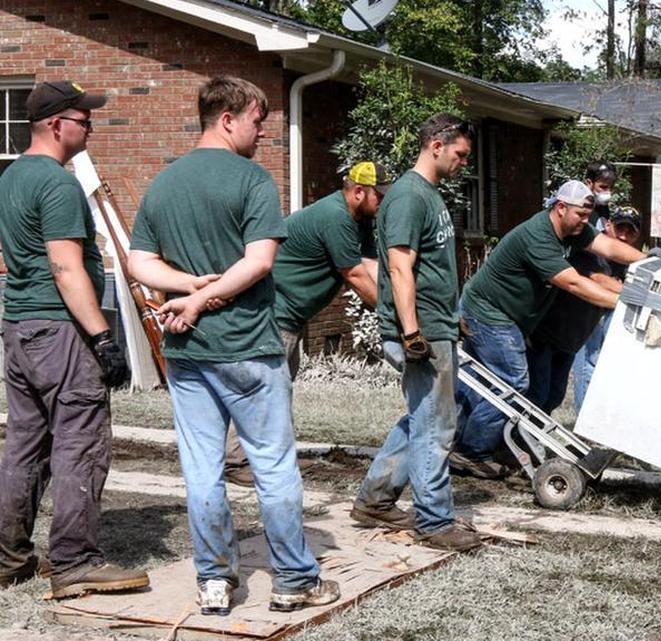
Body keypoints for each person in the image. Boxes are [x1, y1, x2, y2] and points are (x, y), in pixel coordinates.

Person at [129, 76, 338, 615]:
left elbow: (138, 263)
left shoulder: (164, 183)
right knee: (272, 466)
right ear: (227, 119)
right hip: (247, 348)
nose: (262, 132)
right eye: (256, 121)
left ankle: (215, 582)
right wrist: (202, 295)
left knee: (202, 469)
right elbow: (259, 261)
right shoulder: (252, 180)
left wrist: (188, 288)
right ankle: (294, 579)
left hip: (187, 354)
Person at [0, 80, 149, 599]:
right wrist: (103, 338)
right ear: (57, 125)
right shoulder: (58, 185)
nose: (91, 125)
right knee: (81, 442)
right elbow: (65, 267)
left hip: (19, 328)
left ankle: (9, 556)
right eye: (84, 119)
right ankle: (75, 562)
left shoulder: (12, 176)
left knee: (25, 443)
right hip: (60, 330)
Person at [351, 113, 483, 552]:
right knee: (436, 428)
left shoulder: (427, 194)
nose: (464, 162)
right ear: (436, 145)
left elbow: (429, 269)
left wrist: (450, 315)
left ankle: (374, 500)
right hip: (419, 331)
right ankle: (434, 521)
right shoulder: (409, 196)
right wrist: (411, 333)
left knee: (422, 421)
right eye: (461, 154)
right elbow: (399, 266)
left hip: (433, 323)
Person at [453, 181, 646, 477]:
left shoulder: (573, 232)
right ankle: (470, 451)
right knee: (513, 383)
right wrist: (623, 303)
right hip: (489, 313)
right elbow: (574, 283)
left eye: (588, 215)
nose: (586, 221)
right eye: (581, 215)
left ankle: (477, 444)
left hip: (509, 317)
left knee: (483, 384)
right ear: (560, 208)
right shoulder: (539, 237)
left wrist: (650, 262)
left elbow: (607, 246)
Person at [223, 160, 388, 486]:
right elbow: (354, 275)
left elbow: (373, 267)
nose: (383, 201)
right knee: (262, 389)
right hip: (275, 310)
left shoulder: (361, 220)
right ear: (357, 192)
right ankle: (235, 460)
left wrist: (401, 301)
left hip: (291, 316)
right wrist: (393, 313)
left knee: (278, 389)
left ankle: (267, 457)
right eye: (379, 195)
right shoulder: (336, 217)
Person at [526, 205, 642, 413]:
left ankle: (531, 437)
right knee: (537, 392)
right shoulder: (588, 248)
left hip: (571, 338)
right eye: (620, 228)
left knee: (554, 396)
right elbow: (596, 278)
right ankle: (513, 440)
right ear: (608, 226)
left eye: (630, 231)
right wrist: (637, 296)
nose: (623, 236)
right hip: (546, 333)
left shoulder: (625, 262)